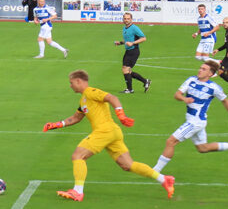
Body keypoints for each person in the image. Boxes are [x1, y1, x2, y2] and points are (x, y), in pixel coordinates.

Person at [42, 69, 175, 201]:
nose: (70, 86)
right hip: (112, 132)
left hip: (104, 131)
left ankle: (77, 191)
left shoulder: (91, 92)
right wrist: (56, 124)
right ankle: (164, 179)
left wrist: (121, 114)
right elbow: (76, 118)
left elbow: (112, 98)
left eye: (71, 83)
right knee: (128, 165)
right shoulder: (83, 99)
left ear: (78, 81)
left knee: (78, 155)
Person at [152, 61, 228, 176]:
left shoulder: (214, 87)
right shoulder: (191, 80)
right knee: (203, 148)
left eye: (204, 69)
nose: (200, 70)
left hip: (195, 122)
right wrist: (184, 99)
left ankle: (155, 171)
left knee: (170, 141)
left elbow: (225, 101)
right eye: (200, 68)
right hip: (193, 120)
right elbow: (177, 94)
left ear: (210, 74)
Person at [115, 12, 151, 94]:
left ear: (131, 19)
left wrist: (133, 43)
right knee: (128, 71)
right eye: (125, 18)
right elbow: (127, 39)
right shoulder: (125, 28)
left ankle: (130, 89)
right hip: (128, 51)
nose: (126, 20)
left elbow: (143, 38)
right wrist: (120, 43)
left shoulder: (134, 28)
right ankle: (145, 81)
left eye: (128, 19)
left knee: (125, 69)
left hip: (133, 51)